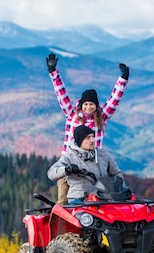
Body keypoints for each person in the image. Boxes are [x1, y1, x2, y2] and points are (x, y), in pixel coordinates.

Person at [46, 52, 129, 204]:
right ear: (81, 105)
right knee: (64, 202)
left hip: (93, 164)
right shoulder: (72, 114)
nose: (88, 107)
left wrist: (122, 79)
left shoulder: (101, 118)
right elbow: (61, 94)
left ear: (96, 106)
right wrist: (53, 73)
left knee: (97, 203)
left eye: (92, 104)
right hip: (70, 164)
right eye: (86, 104)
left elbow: (114, 99)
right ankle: (64, 228)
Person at [48, 125, 124, 204]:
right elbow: (51, 174)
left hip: (104, 200)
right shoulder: (69, 157)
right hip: (79, 202)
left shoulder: (103, 155)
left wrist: (117, 189)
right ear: (79, 141)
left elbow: (117, 173)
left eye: (93, 136)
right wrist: (67, 169)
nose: (92, 140)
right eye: (88, 137)